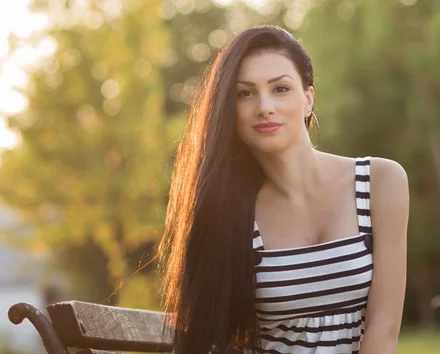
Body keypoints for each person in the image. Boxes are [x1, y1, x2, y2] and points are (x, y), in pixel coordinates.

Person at [157, 25, 409, 354]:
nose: (264, 106)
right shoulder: (227, 213)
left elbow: (384, 328)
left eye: (280, 89)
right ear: (229, 113)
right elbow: (201, 336)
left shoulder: (380, 181)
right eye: (245, 93)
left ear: (308, 99)